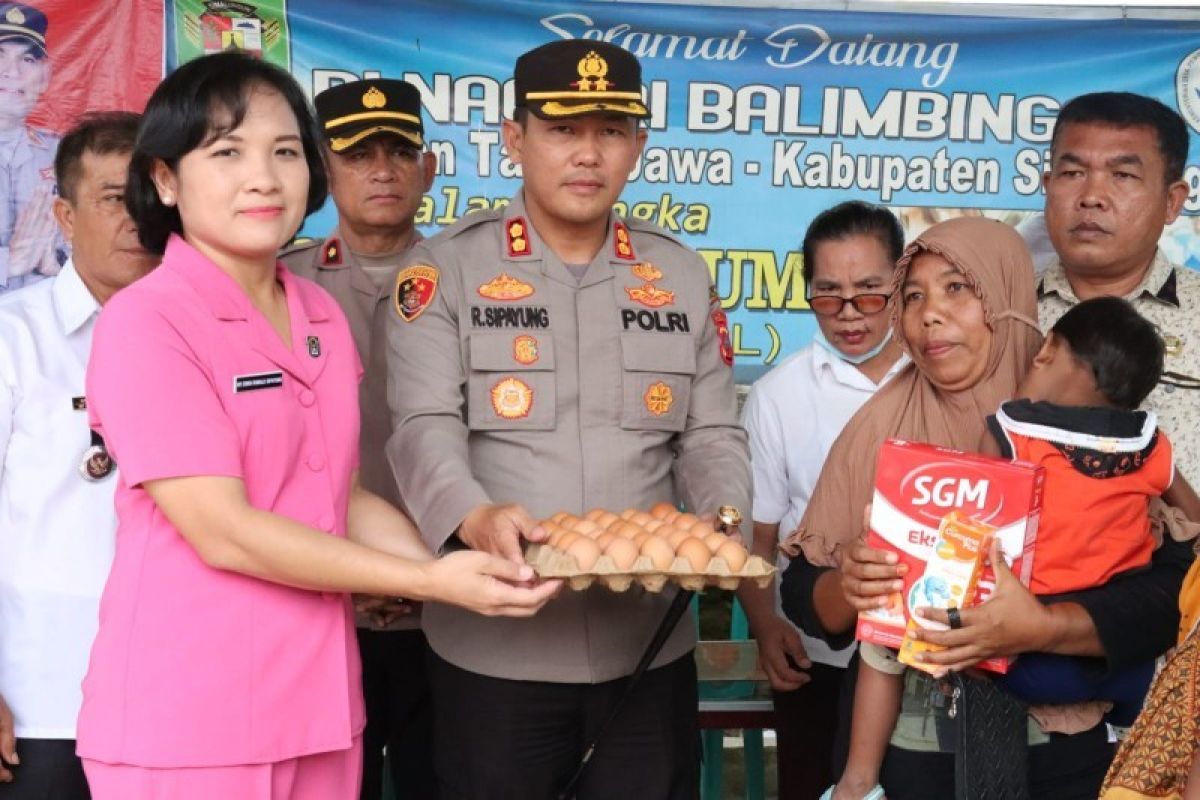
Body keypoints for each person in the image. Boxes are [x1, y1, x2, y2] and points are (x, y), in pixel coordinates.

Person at [74, 51, 558, 800]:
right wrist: (427, 578)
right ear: (166, 179)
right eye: (227, 152)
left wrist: (472, 553)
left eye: (285, 151)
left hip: (320, 710)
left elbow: (344, 492)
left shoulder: (317, 312)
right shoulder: (148, 321)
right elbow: (222, 529)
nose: (262, 177)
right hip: (190, 720)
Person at [385, 39, 751, 799]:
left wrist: (723, 517)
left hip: (647, 648)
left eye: (611, 132)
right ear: (515, 138)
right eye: (562, 130)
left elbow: (712, 432)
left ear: (639, 144)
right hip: (494, 654)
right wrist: (472, 514)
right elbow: (423, 424)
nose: (588, 154)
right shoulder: (446, 267)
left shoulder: (677, 274)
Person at [781, 216, 1194, 799]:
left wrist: (1043, 626)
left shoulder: (1093, 424)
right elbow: (805, 599)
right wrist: (847, 584)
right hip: (910, 757)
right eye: (914, 295)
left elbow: (1168, 597)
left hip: (1063, 754)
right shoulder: (877, 428)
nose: (930, 314)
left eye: (957, 288)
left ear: (1006, 296)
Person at [279, 77, 437, 800]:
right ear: (322, 168)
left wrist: (423, 576)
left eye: (400, 150)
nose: (382, 169)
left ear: (428, 167)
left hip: (448, 615)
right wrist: (351, 577)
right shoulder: (280, 285)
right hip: (317, 609)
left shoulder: (474, 283)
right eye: (358, 152)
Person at [0, 112, 156, 800]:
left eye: (149, 198)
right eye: (113, 199)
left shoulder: (210, 343)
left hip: (180, 702)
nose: (135, 219)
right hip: (42, 699)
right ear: (64, 215)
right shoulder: (13, 339)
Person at [738, 200, 908, 798]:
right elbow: (757, 538)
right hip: (820, 656)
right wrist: (765, 626)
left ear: (902, 281)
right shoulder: (779, 394)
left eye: (870, 292)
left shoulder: (940, 374)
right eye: (828, 294)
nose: (849, 314)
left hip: (927, 662)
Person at [1038, 92, 1197, 486]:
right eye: (1073, 174)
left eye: (1122, 175)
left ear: (1172, 202)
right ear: (1048, 185)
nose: (1091, 197)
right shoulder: (997, 312)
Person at [0, 2, 60, 293]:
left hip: (45, 326)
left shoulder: (61, 154)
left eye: (27, 59)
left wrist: (58, 260)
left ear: (44, 78)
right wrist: (9, 263)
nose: (12, 72)